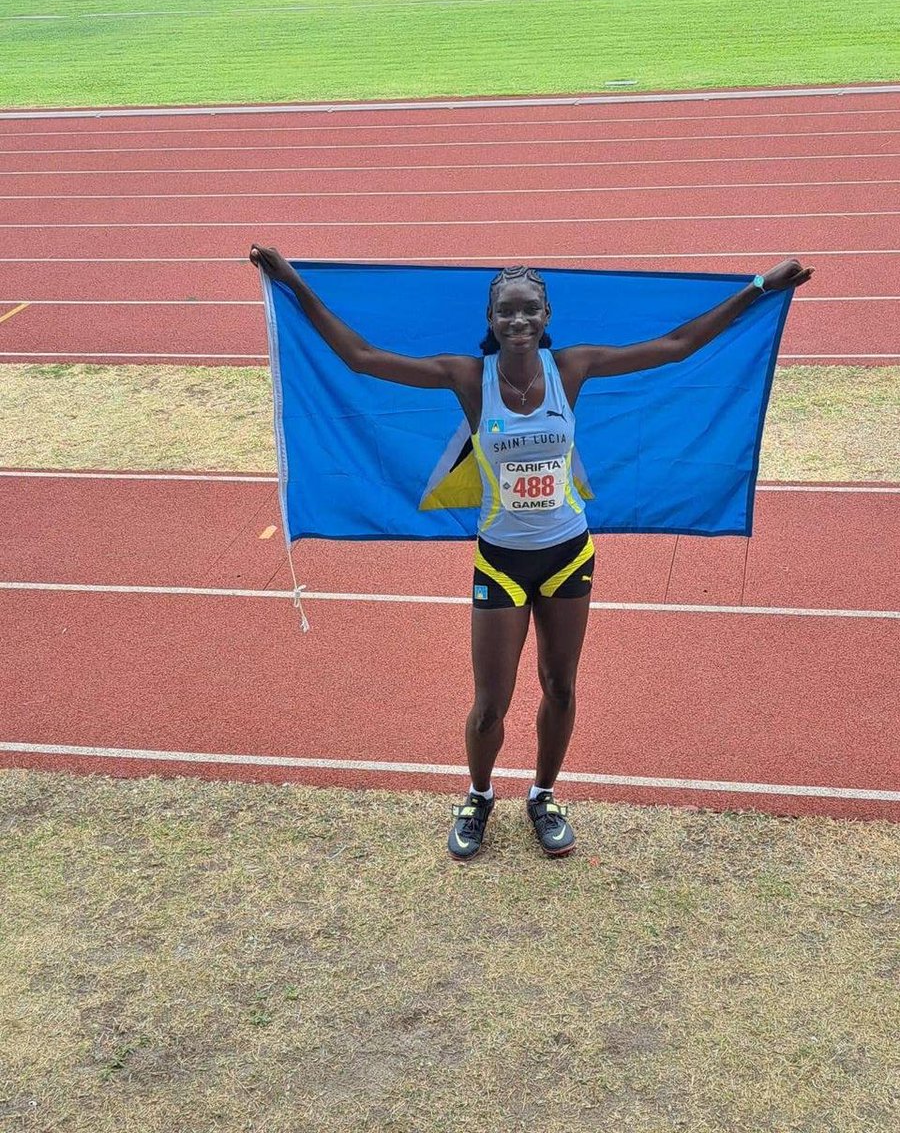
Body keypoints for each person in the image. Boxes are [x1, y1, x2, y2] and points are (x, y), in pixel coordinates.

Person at [249, 246, 813, 861]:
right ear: (490, 321)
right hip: (501, 560)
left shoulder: (572, 367)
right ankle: (479, 794)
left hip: (569, 552)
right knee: (491, 702)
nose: (518, 322)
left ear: (546, 316)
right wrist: (293, 282)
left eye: (529, 311)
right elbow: (361, 359)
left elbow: (677, 346)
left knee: (561, 687)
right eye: (506, 313)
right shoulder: (469, 377)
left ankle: (543, 794)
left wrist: (757, 287)